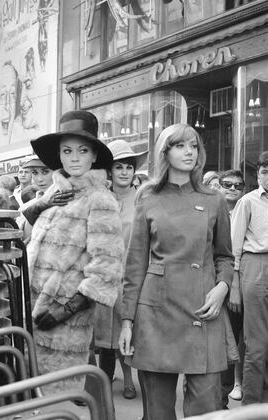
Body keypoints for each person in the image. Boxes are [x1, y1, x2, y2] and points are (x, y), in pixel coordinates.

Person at [119, 123, 235, 418]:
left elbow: (224, 256)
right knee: (158, 411)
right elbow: (135, 265)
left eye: (194, 146)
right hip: (157, 313)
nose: (189, 152)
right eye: (180, 145)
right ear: (164, 152)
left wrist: (223, 287)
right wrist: (127, 322)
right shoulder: (147, 198)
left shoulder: (214, 199)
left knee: (206, 407)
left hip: (204, 308)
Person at [24, 110, 124, 392]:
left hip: (65, 321)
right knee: (34, 397)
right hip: (31, 309)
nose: (75, 157)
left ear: (94, 156)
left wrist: (64, 310)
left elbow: (107, 266)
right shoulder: (54, 193)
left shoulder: (100, 199)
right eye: (67, 151)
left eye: (82, 150)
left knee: (58, 397)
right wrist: (43, 205)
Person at [94, 139, 148, 400]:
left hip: (131, 275)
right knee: (104, 336)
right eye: (119, 167)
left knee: (129, 330)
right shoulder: (100, 198)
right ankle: (102, 383)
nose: (124, 172)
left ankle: (129, 379)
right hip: (104, 276)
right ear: (110, 171)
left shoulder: (142, 199)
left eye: (129, 167)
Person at [230, 151, 268, 405]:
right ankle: (251, 405)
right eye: (265, 170)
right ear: (258, 175)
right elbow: (234, 246)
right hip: (256, 265)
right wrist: (234, 283)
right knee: (256, 341)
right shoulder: (248, 202)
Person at [218, 169, 246, 408]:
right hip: (215, 284)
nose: (233, 189)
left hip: (241, 284)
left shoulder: (247, 208)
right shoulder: (212, 210)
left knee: (234, 340)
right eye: (227, 184)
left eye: (238, 185)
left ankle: (227, 392)